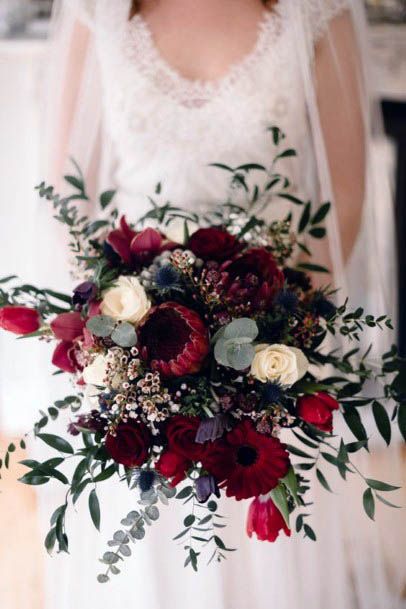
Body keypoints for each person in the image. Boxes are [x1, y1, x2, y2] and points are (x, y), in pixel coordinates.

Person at [37, 1, 402, 608]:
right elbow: (71, 200)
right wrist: (119, 331)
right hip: (133, 345)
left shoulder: (318, 12)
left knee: (264, 541)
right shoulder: (98, 14)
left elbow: (342, 198)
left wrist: (271, 339)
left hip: (274, 344)